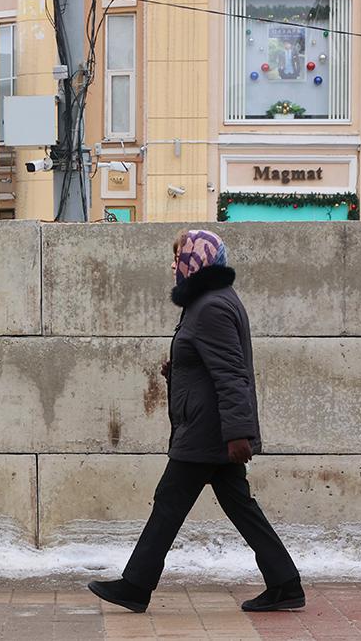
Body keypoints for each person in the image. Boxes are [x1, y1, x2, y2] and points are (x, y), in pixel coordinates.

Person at [88, 230, 304, 614]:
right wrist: (180, 368)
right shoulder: (208, 302)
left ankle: (136, 585)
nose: (173, 266)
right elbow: (210, 363)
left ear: (196, 260)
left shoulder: (210, 308)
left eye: (178, 257)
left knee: (169, 502)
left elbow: (231, 373)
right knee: (240, 507)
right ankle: (285, 583)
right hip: (211, 429)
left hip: (209, 432)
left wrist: (238, 433)